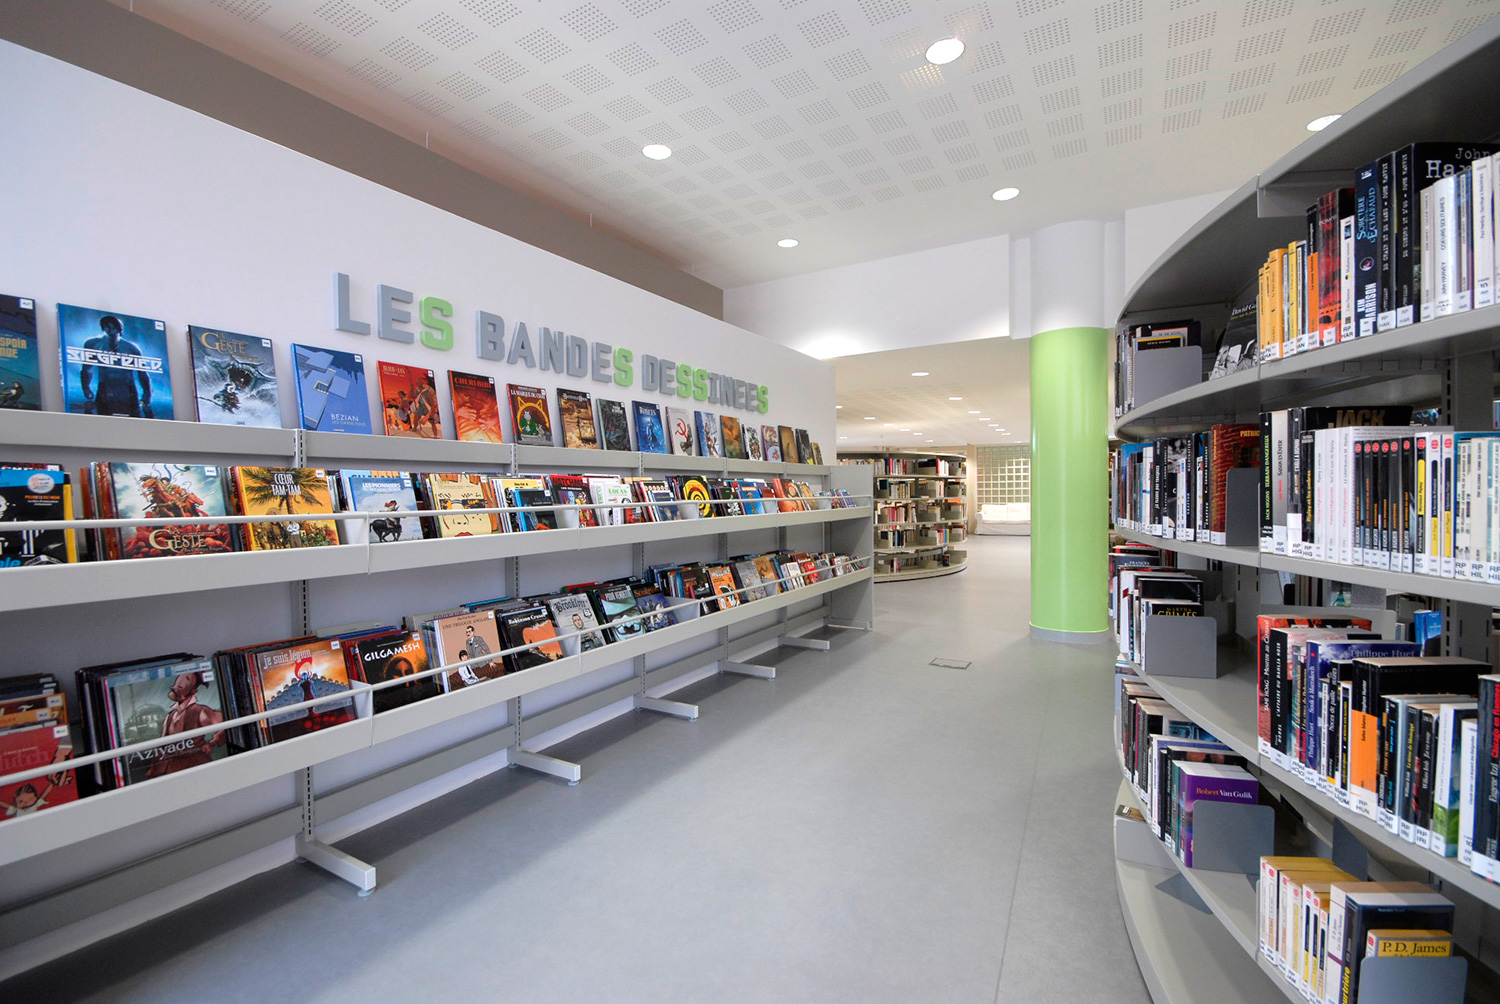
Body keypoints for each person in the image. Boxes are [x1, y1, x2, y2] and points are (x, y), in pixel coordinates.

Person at [146, 671, 225, 778]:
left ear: (193, 691)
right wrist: (153, 771)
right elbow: (162, 746)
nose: (179, 683)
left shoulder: (200, 712)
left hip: (198, 769)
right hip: (174, 772)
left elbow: (228, 721)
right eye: (180, 677)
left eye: (187, 679)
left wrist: (212, 743)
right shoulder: (169, 717)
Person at [78, 313, 154, 417]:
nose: (110, 330)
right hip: (105, 388)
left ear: (119, 328)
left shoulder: (132, 348)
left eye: (113, 327)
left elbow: (142, 373)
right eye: (107, 327)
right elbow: (87, 369)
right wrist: (86, 387)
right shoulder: (93, 344)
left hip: (127, 390)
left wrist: (147, 394)